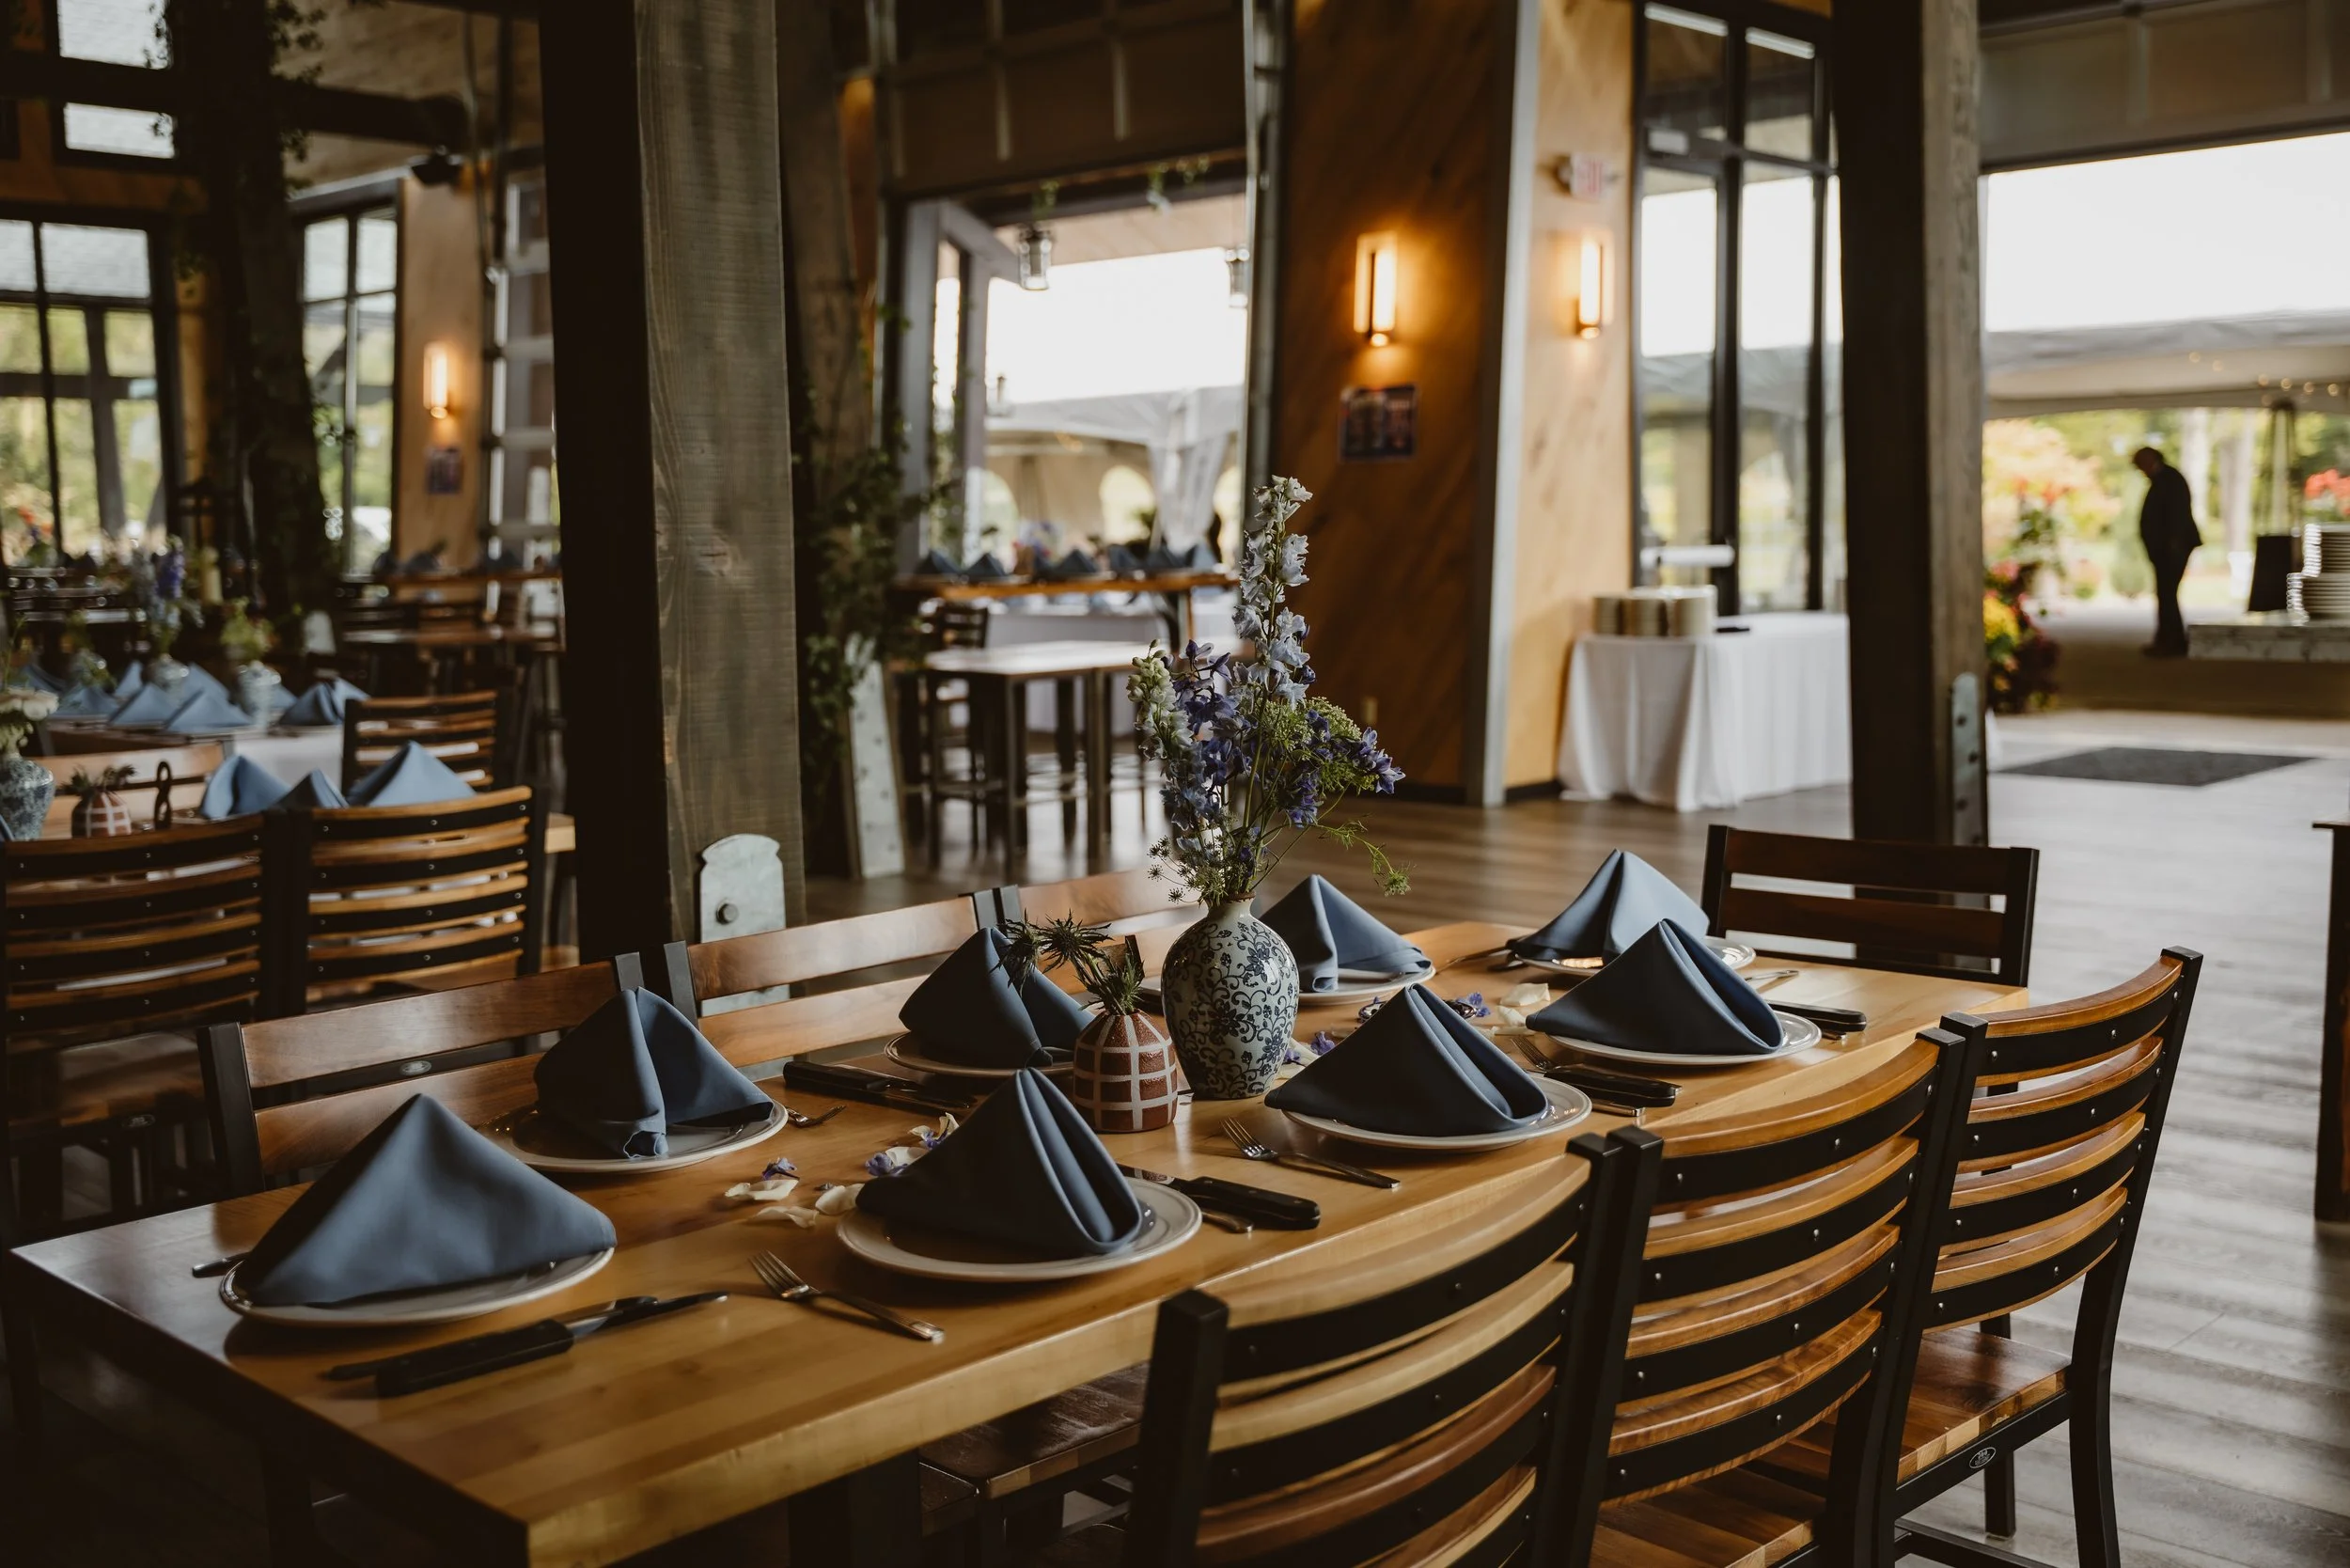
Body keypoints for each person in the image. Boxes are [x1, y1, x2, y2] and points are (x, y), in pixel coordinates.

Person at [2132, 446, 2201, 657]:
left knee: (2167, 593)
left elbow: (2177, 514)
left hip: (2173, 547)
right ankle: (2169, 638)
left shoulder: (2170, 480)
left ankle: (2172, 641)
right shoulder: (2164, 479)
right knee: (2166, 593)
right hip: (2165, 547)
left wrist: (2173, 543)